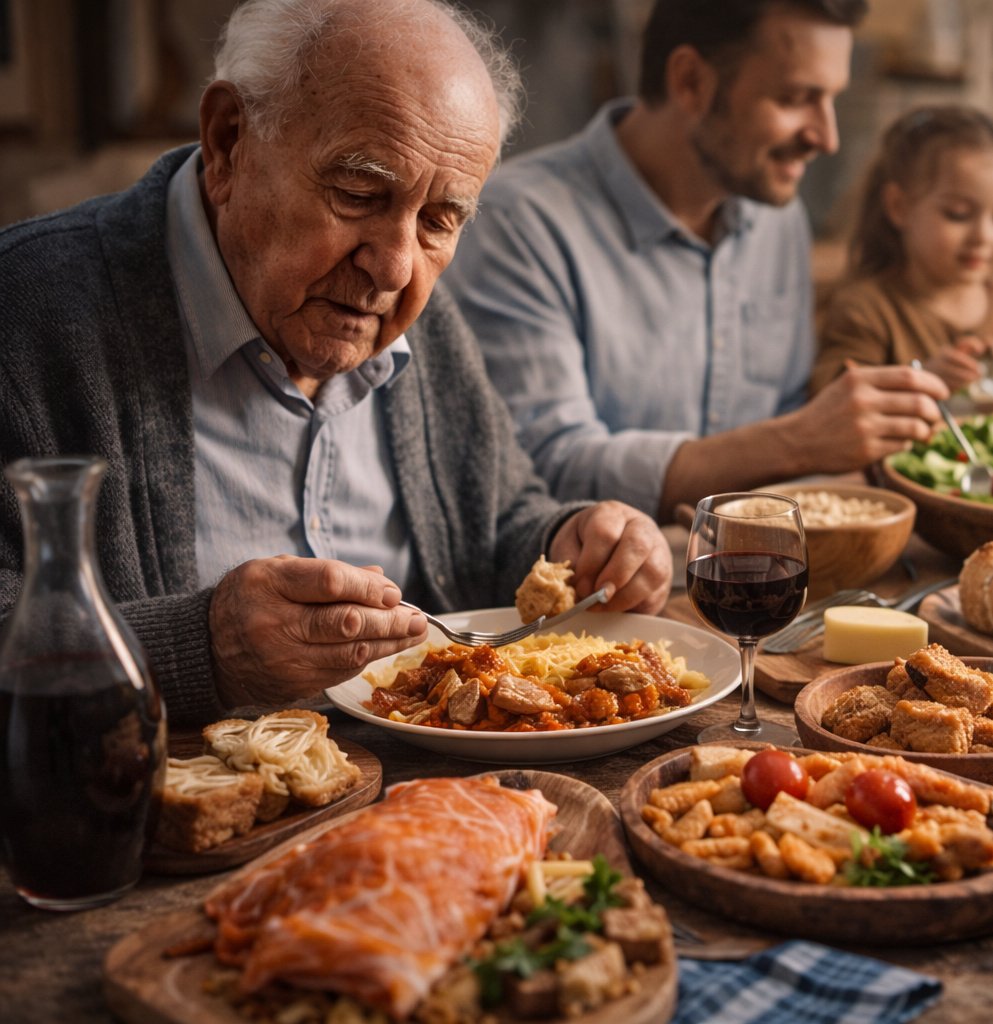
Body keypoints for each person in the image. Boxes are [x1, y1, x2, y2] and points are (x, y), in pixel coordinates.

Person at [0, 0, 672, 727]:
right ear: (228, 142)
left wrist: (569, 545)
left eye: (440, 220)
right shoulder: (25, 314)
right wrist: (201, 648)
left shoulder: (418, 317)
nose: (392, 266)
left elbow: (494, 524)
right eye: (357, 194)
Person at [445, 0, 949, 523]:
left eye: (831, 100)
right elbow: (542, 468)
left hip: (743, 581)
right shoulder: (516, 222)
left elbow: (786, 415)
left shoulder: (779, 219)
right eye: (797, 98)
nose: (827, 136)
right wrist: (797, 442)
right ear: (690, 82)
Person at [812, 106, 993, 396]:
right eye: (958, 214)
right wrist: (922, 380)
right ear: (900, 206)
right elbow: (833, 403)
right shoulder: (865, 310)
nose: (984, 236)